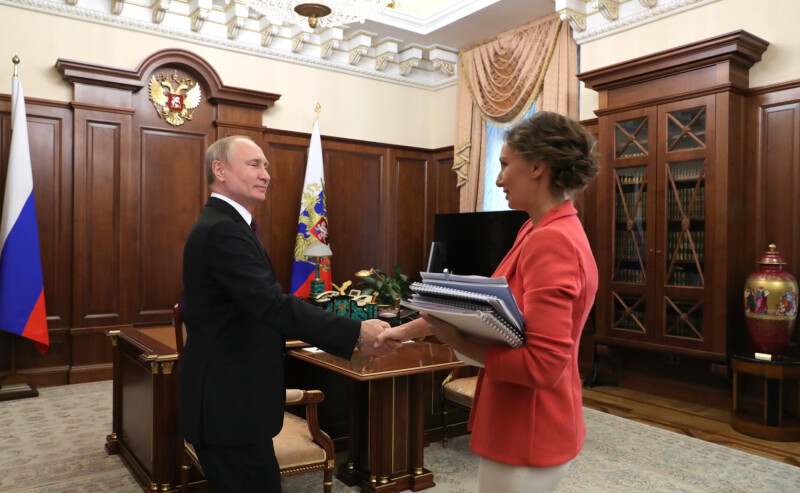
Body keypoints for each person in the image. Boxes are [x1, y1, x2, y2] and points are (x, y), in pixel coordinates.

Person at [379, 111, 600, 493]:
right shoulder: (537, 228)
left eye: (504, 164)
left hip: (530, 424)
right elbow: (484, 309)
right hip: (521, 416)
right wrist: (404, 331)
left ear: (537, 166)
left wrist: (455, 341)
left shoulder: (552, 240)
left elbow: (541, 366)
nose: (498, 179)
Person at [179, 135, 399, 492]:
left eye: (266, 166)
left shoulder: (229, 225)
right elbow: (272, 305)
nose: (266, 174)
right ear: (219, 170)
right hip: (227, 407)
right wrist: (356, 332)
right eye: (254, 164)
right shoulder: (222, 230)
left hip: (236, 404)